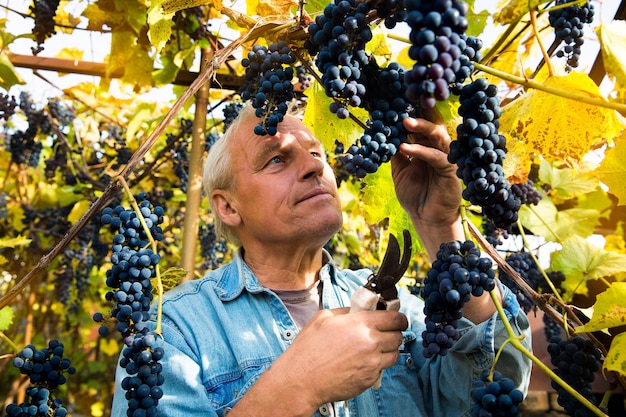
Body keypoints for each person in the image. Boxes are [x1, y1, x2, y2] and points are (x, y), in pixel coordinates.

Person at [111, 105, 532, 417]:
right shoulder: (175, 331)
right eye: (277, 159)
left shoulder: (399, 306)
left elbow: (492, 389)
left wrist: (440, 227)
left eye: (317, 154)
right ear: (227, 207)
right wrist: (296, 385)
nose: (314, 169)